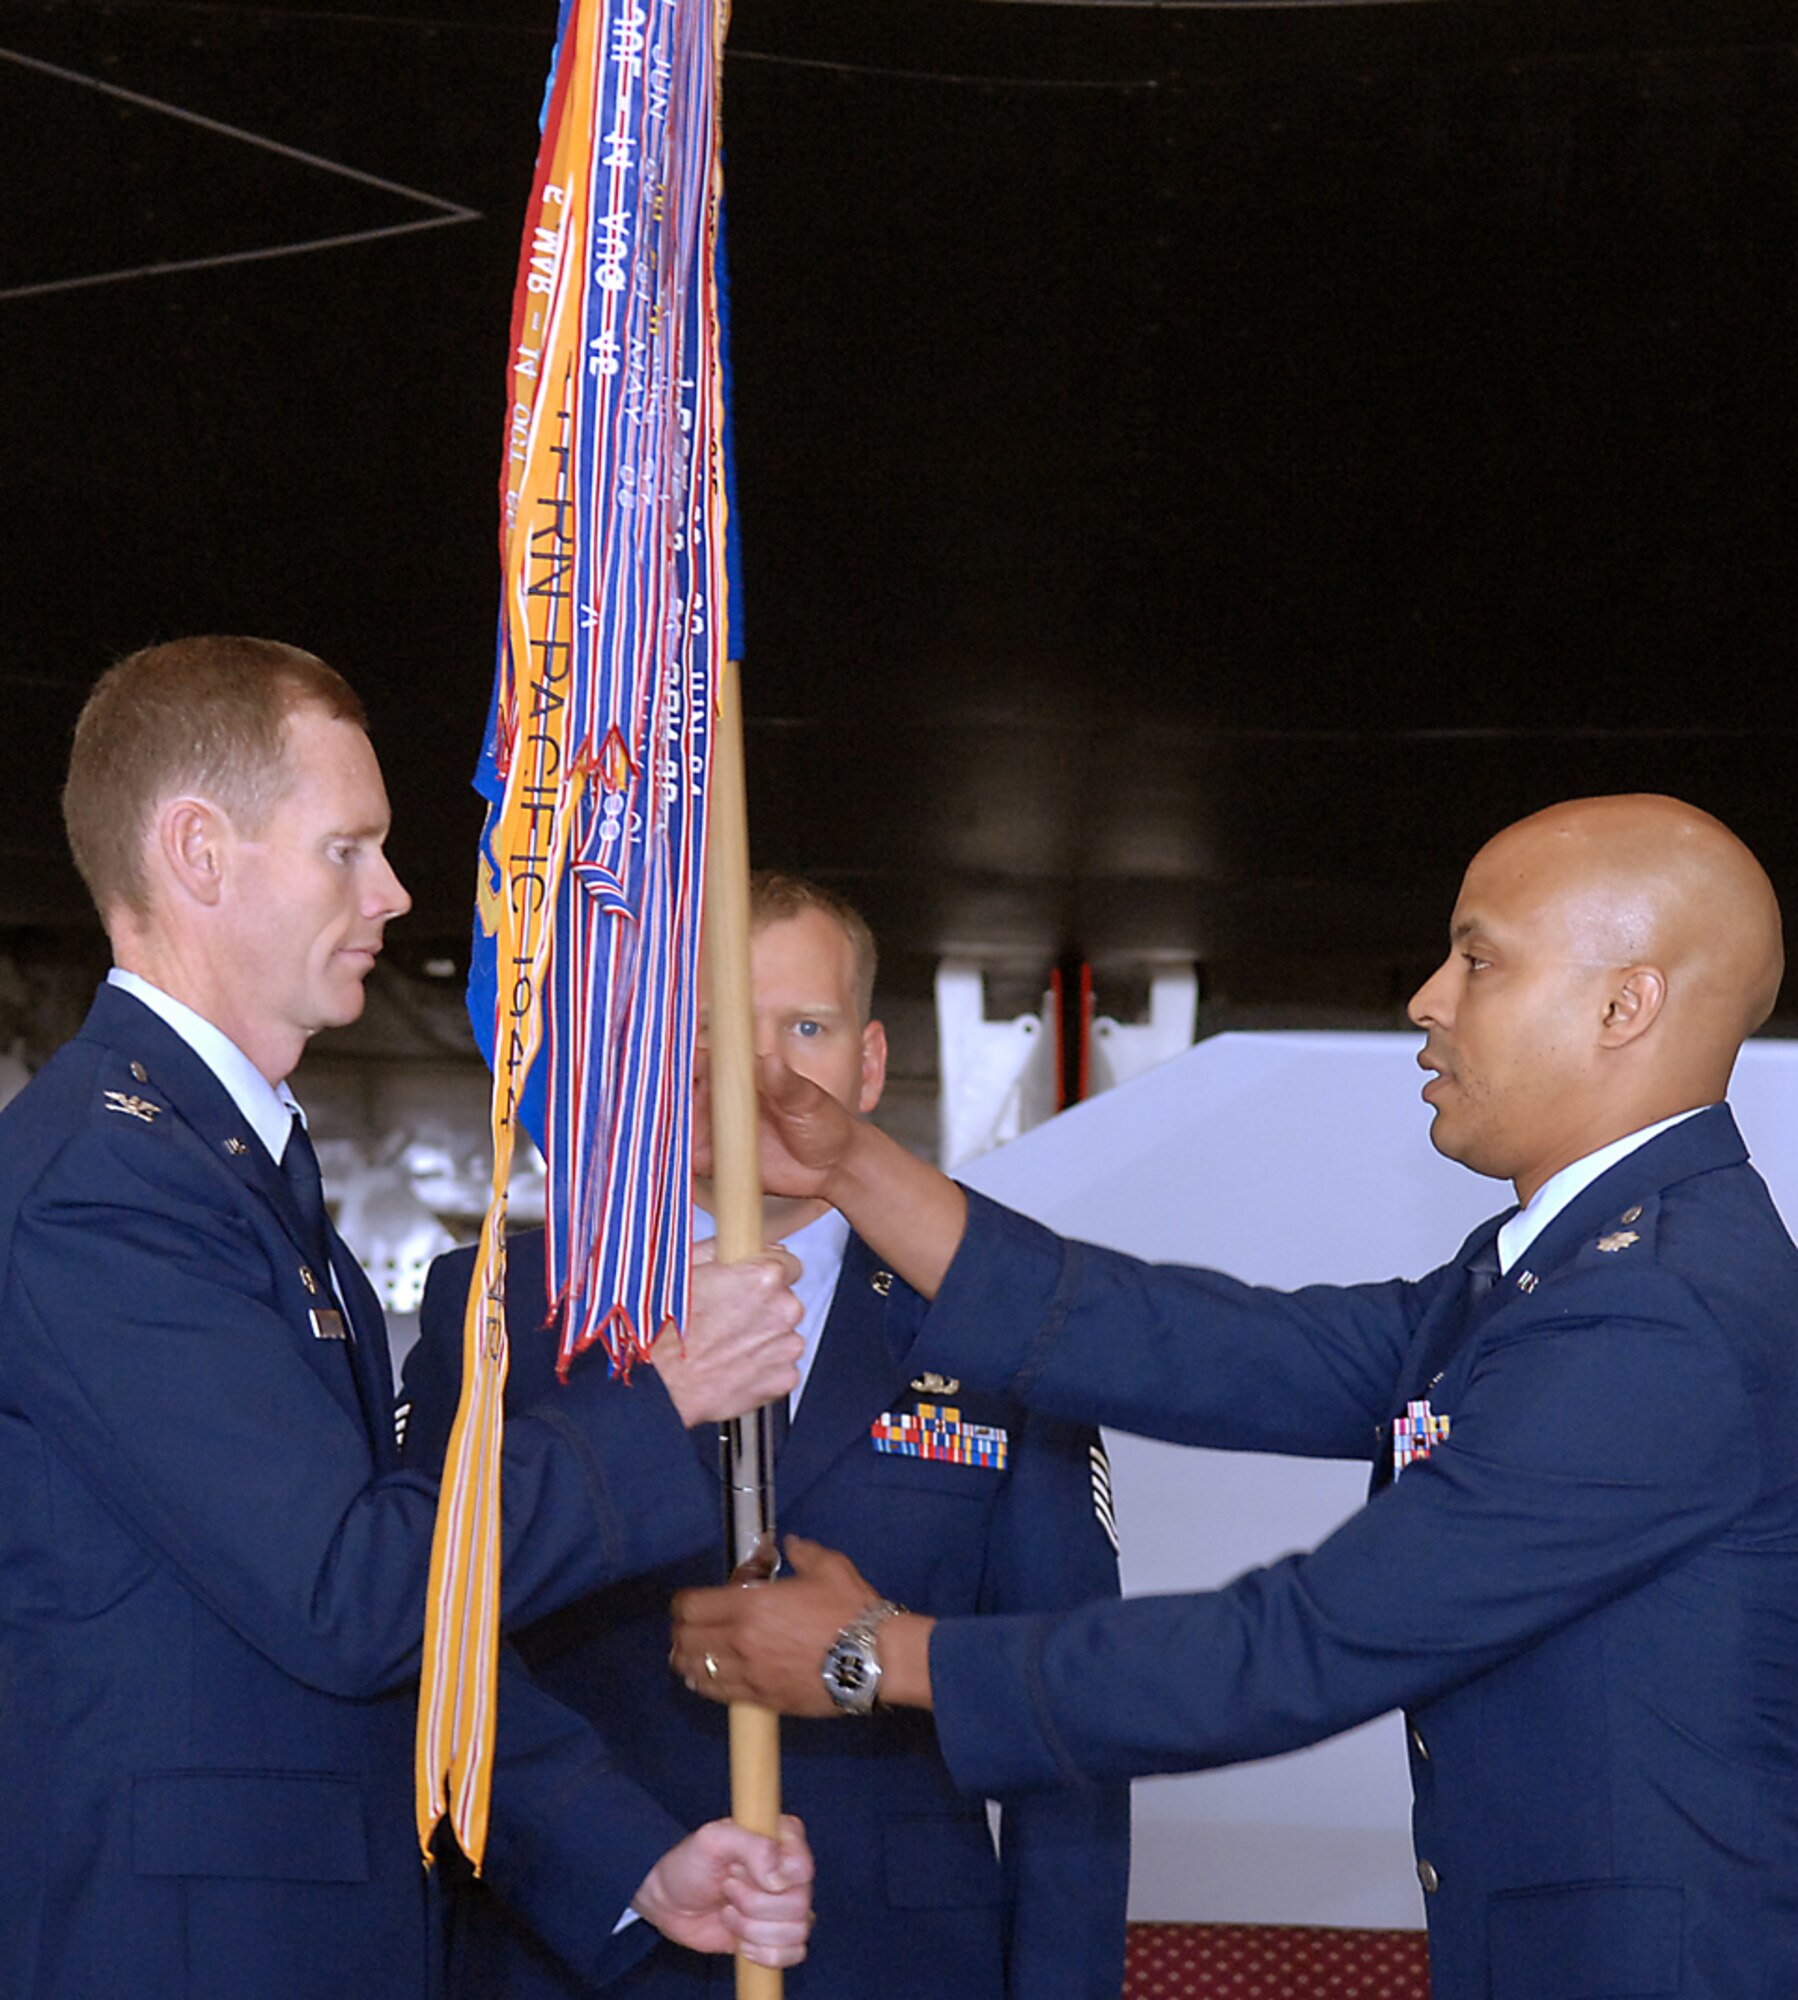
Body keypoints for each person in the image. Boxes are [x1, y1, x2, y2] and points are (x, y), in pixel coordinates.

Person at [673, 795, 1798, 2000]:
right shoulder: (1551, 1268)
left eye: (1477, 960)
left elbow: (1307, 1642)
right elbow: (1212, 1346)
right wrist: (846, 1159)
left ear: (1624, 1005)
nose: (1426, 996)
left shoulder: (1653, 1308)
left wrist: (874, 1653)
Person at [0, 636, 813, 2000]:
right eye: (346, 848)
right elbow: (357, 1597)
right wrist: (661, 1397)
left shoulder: (218, 1164)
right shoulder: (110, 1184)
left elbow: (384, 1631)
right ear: (200, 854)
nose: (391, 891)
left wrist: (618, 1856)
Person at [405, 872, 1129, 1998]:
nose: (756, 1074)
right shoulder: (503, 1308)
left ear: (870, 1061)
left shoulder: (998, 1318)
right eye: (702, 1028)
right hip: (575, 1946)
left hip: (894, 1961)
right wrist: (616, 1856)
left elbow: (1064, 1722)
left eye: (805, 1025)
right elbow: (429, 1651)